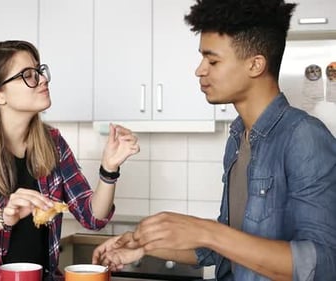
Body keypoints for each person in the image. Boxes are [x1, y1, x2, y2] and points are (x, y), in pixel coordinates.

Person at [92, 0, 336, 280]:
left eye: (213, 60)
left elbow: (325, 264)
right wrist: (144, 245)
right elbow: (226, 248)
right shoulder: (238, 139)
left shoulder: (304, 137)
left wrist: (207, 231)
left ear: (255, 65)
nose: (200, 70)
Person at [0, 40, 140, 281]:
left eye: (39, 71)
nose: (42, 79)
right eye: (27, 75)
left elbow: (93, 217)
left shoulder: (53, 143)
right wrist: (3, 216)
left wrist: (109, 169)